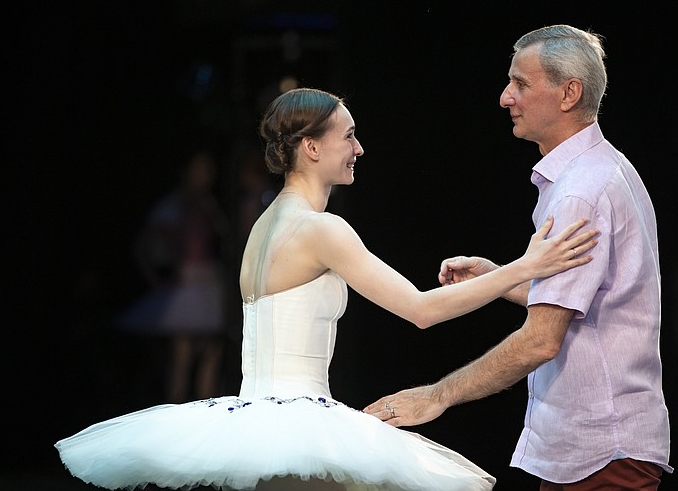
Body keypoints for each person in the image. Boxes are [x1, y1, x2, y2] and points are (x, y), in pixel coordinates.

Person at [55, 87, 598, 491]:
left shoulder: (265, 224)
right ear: (311, 149)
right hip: (297, 418)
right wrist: (526, 266)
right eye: (349, 136)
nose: (359, 148)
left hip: (255, 418)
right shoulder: (320, 229)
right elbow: (421, 309)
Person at [365, 25, 674, 489]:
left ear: (569, 93)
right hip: (594, 447)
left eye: (521, 84)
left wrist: (437, 395)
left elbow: (541, 340)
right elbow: (587, 298)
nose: (506, 97)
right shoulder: (603, 169)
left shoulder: (581, 192)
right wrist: (501, 278)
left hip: (602, 450)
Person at [117, 150, 232, 403]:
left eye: (208, 170)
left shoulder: (208, 204)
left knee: (212, 349)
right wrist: (157, 281)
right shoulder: (173, 205)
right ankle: (175, 411)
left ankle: (204, 412)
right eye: (200, 169)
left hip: (209, 283)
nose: (205, 175)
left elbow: (219, 236)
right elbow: (144, 245)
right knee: (183, 355)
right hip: (187, 284)